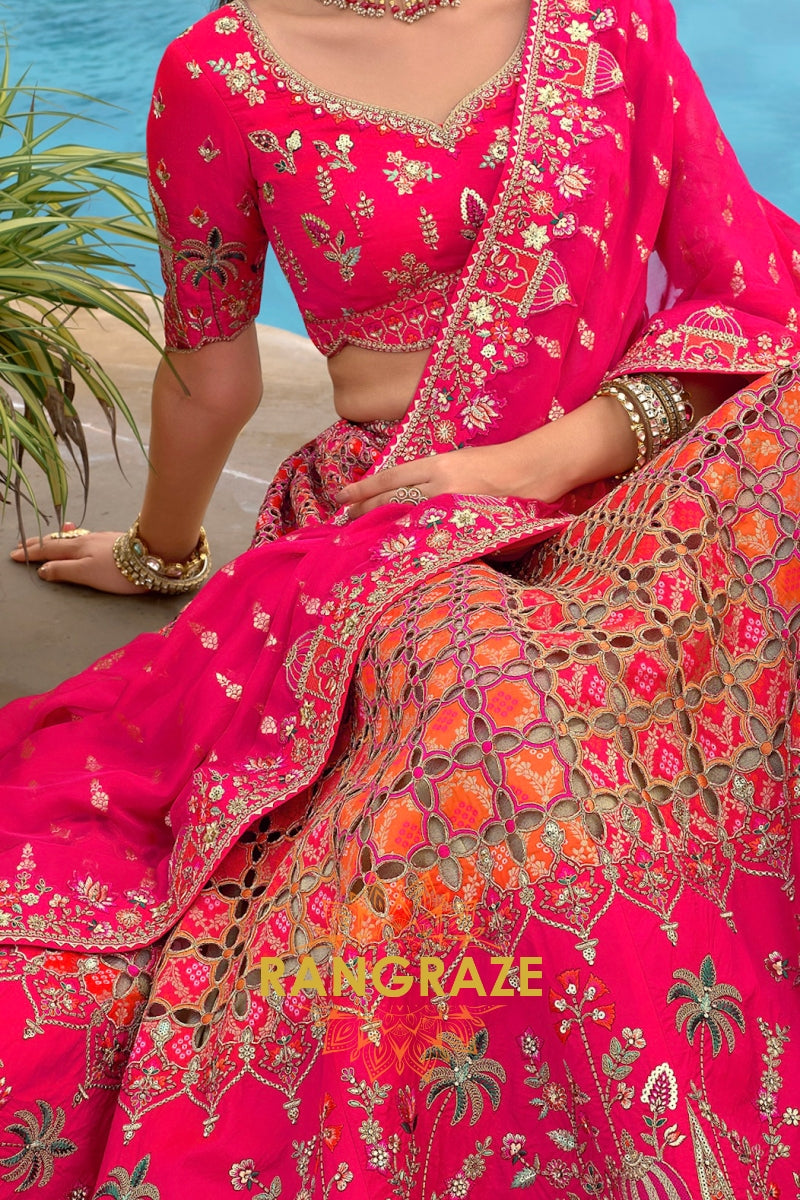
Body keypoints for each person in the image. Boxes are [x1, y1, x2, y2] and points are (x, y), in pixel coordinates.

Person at [1, 0, 799, 1195]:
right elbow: (211, 367)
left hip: (636, 460)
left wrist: (544, 457)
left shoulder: (602, 21)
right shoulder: (219, 71)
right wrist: (163, 552)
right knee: (510, 766)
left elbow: (748, 292)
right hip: (403, 511)